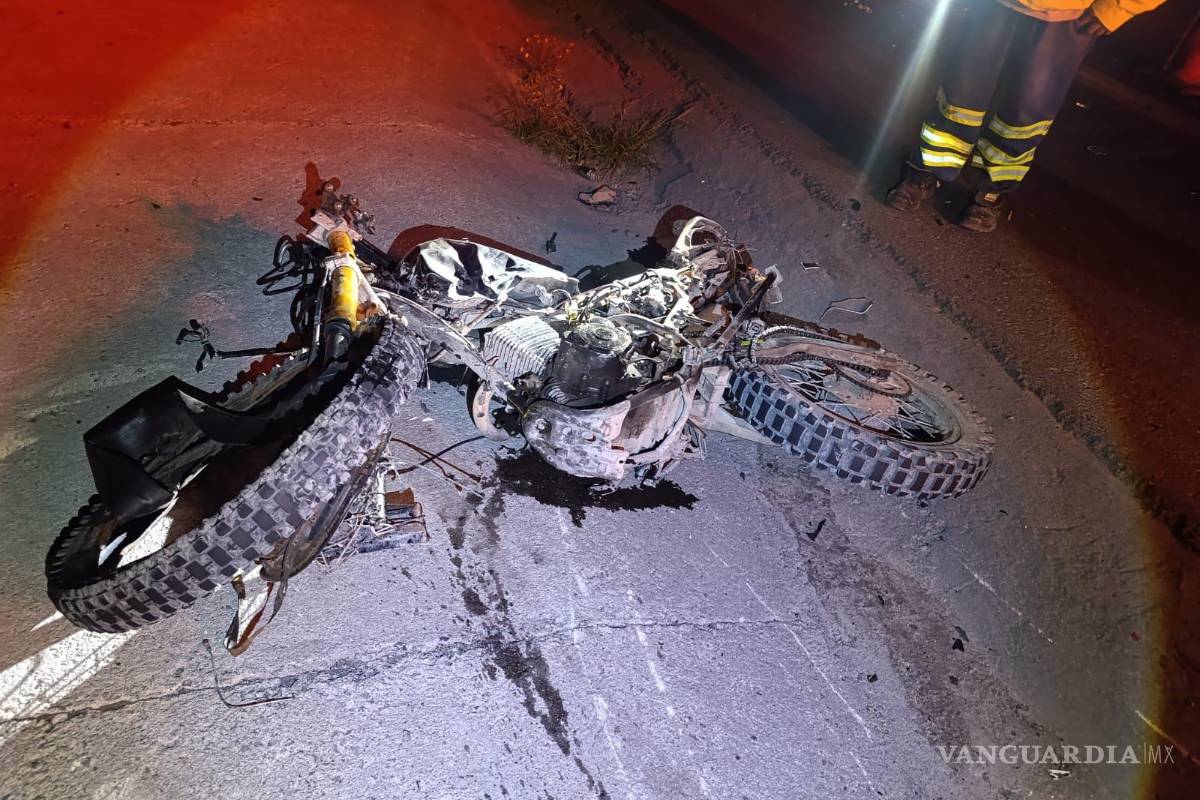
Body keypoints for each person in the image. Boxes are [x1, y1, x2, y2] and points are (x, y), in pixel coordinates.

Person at [886, 0, 1167, 232]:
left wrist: (1118, 8)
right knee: (961, 94)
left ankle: (991, 190)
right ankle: (925, 170)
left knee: (1027, 113)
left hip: (1069, 16)